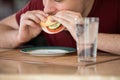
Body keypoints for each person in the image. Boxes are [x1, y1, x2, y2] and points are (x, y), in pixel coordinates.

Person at [0, 0, 120, 55]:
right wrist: (18, 37)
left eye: (58, 0)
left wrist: (87, 36)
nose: (47, 9)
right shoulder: (39, 7)